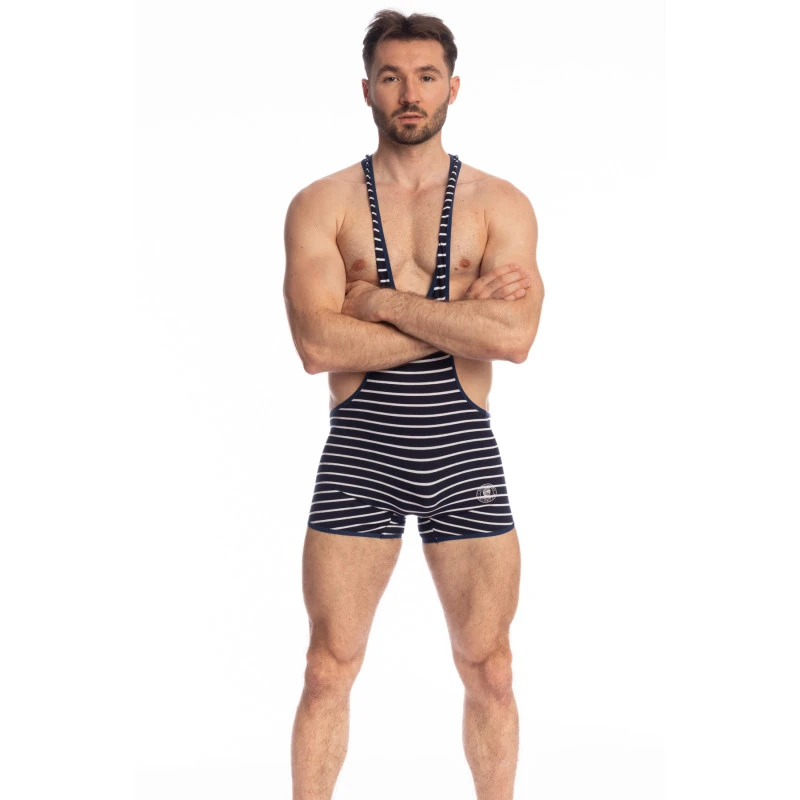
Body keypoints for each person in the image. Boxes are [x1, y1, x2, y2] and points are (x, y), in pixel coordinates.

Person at [283, 10, 544, 799]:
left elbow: (515, 336)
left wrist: (375, 303)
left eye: (426, 76)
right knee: (327, 668)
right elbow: (317, 346)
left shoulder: (499, 203)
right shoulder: (321, 203)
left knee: (491, 668)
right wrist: (458, 316)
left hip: (461, 454)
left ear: (453, 88)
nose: (410, 93)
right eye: (391, 76)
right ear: (366, 88)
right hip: (360, 456)